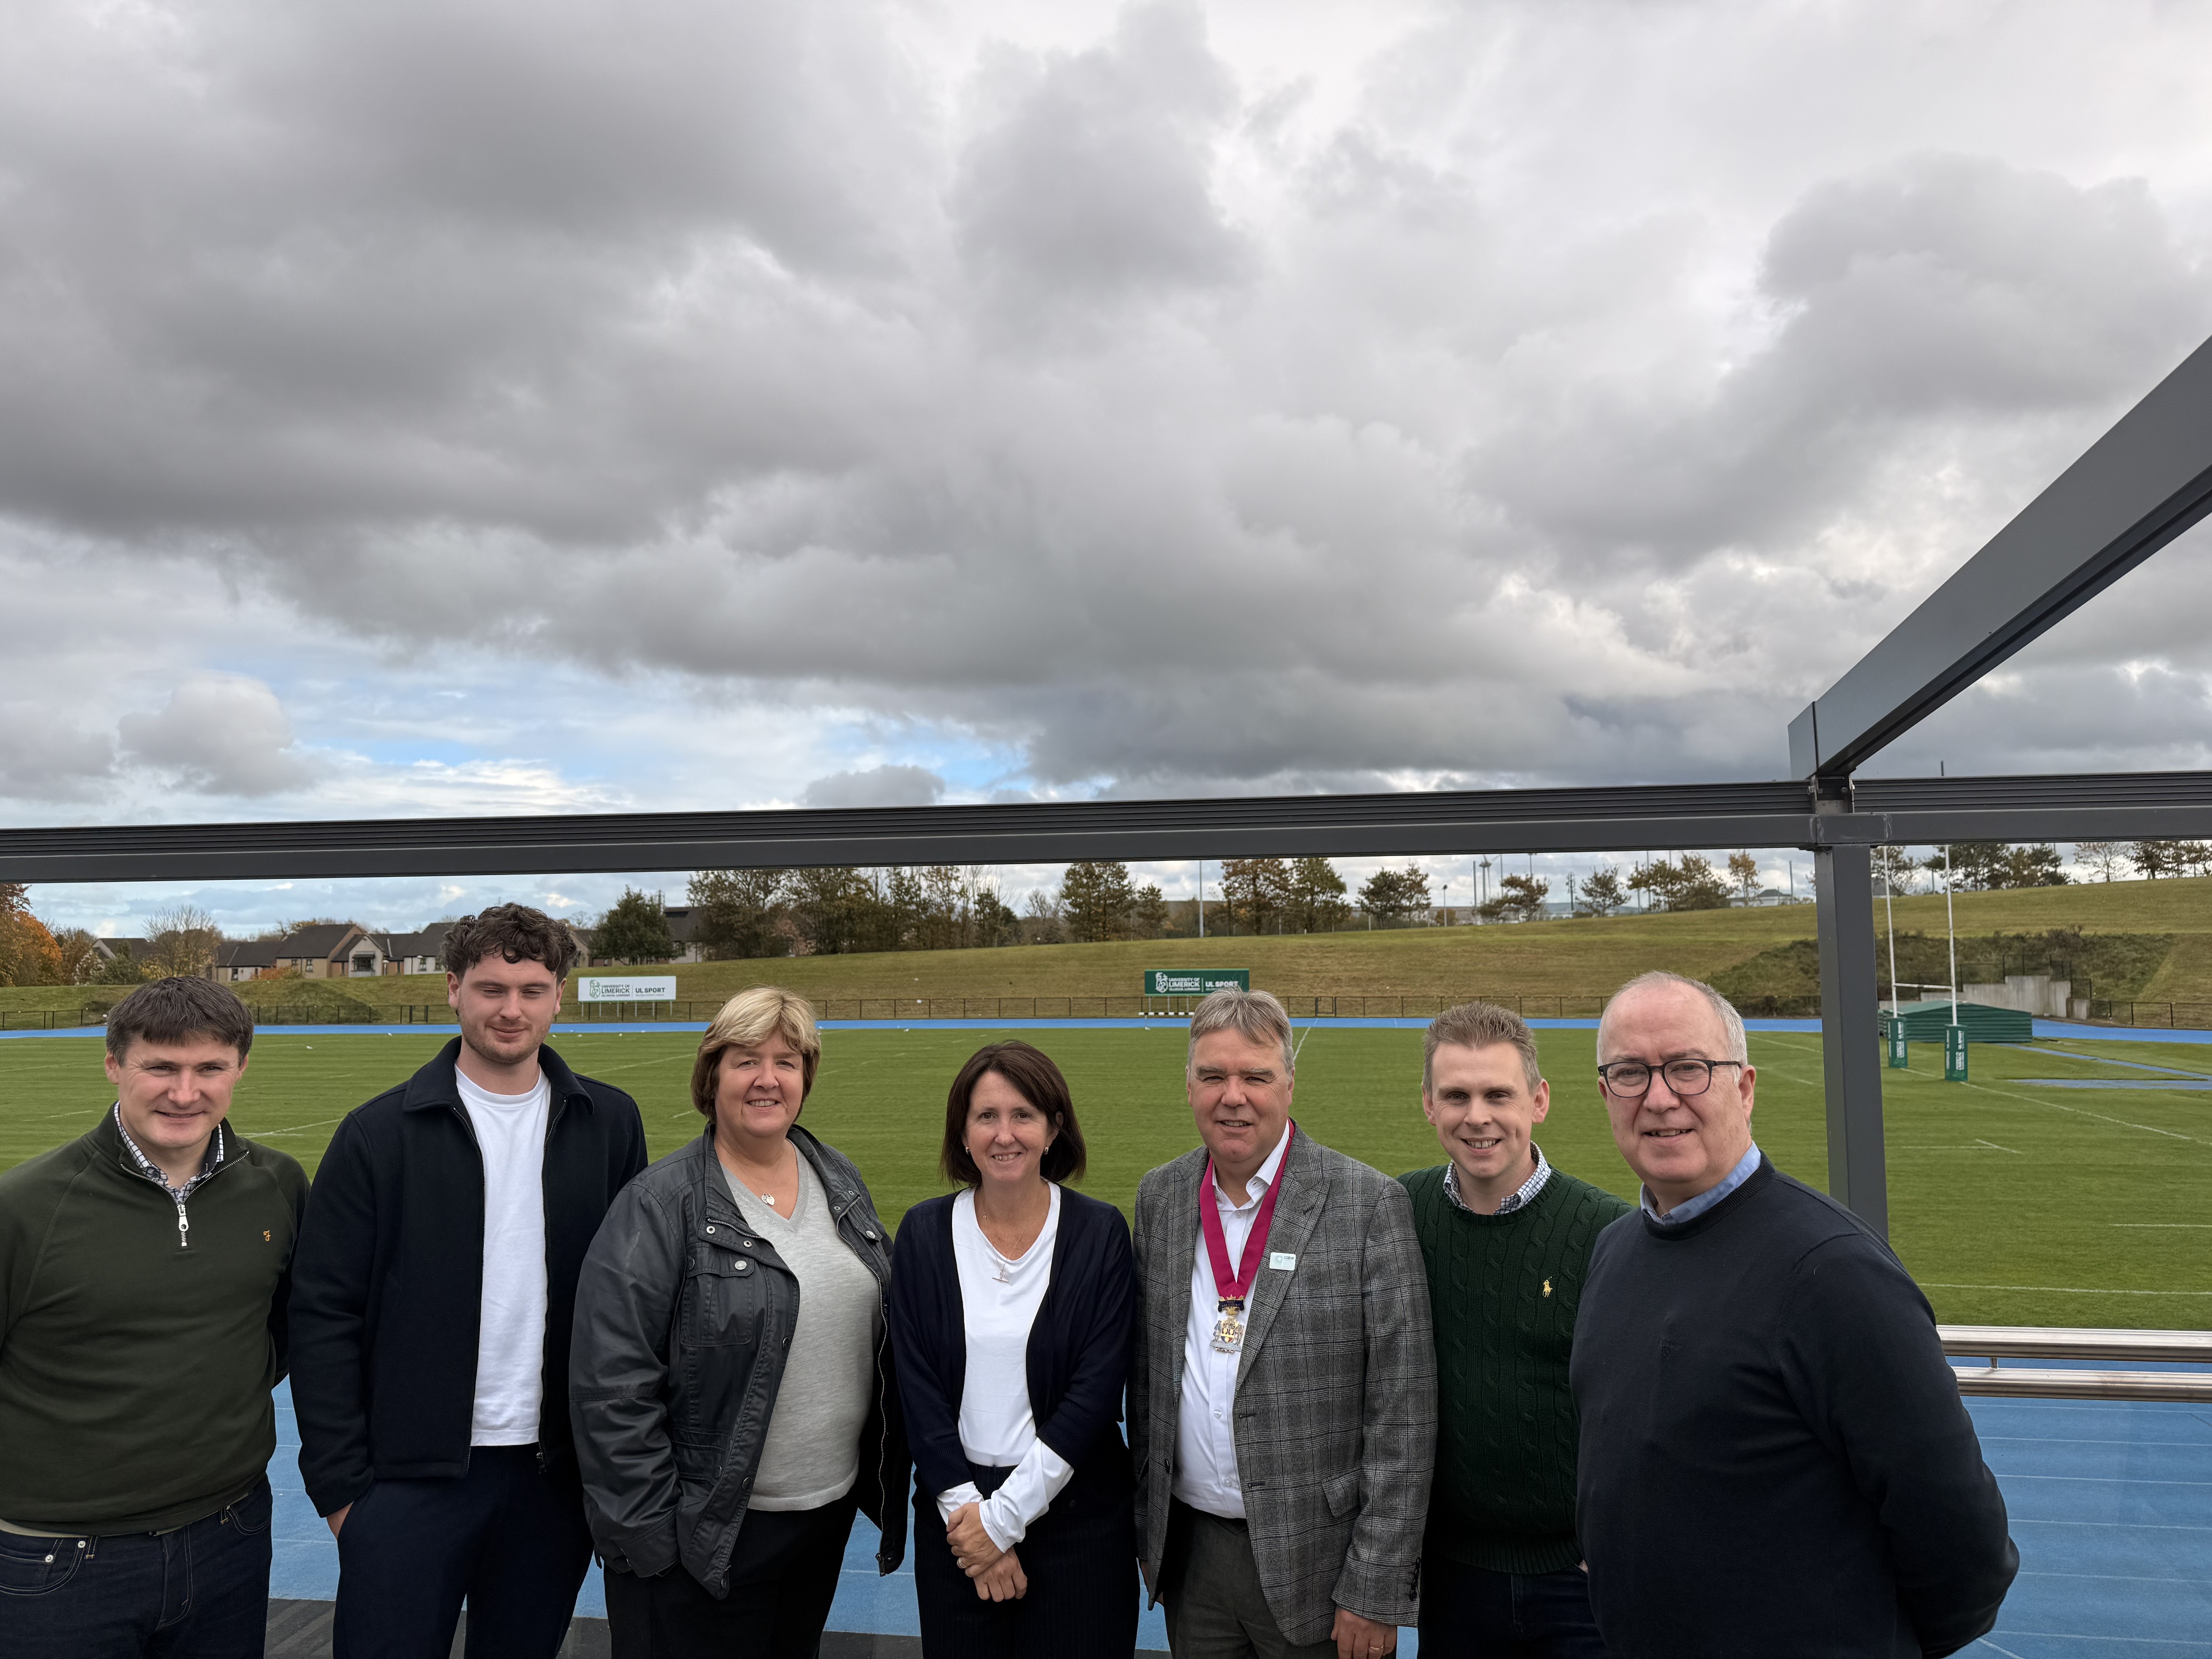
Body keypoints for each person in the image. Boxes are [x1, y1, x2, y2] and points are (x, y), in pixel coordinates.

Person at [1571, 970, 2018, 1657]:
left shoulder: (1833, 1272)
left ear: (1744, 1087)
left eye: (1689, 1068)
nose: (1660, 1098)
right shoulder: (1616, 1251)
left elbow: (1962, 1537)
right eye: (1631, 1073)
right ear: (1605, 1095)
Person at [289, 904, 648, 1659]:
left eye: (530, 988)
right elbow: (323, 1312)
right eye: (490, 988)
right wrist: (344, 1493)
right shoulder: (378, 1134)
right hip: (406, 1481)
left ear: (558, 996)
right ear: (453, 990)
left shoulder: (610, 1124)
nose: (510, 1009)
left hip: (553, 1481)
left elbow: (634, 1301)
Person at [570, 986, 907, 1659]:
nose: (767, 1079)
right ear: (711, 1075)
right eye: (745, 1060)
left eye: (786, 1061)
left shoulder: (839, 1178)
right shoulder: (659, 1206)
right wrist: (655, 1543)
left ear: (806, 1077)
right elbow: (612, 1386)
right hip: (703, 1536)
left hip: (819, 1520)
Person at [0, 976, 307, 1658]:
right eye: (160, 1067)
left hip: (231, 1533)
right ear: (114, 1064)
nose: (185, 1092)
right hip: (58, 1559)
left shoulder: (278, 1186)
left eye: (209, 1068)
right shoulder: (25, 1208)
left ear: (241, 1067)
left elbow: (282, 1331)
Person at [1130, 988, 1435, 1659]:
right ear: (1189, 1087)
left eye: (1255, 1077)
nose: (1232, 1096)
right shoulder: (1161, 1197)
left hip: (1321, 1568)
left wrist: (1374, 1588)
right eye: (1213, 1076)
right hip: (1193, 1558)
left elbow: (1403, 1415)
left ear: (1289, 1084)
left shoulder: (1368, 1203)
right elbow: (1148, 1379)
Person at [889, 1041, 1137, 1659]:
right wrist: (972, 1519)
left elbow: (1096, 1392)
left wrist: (1002, 1524)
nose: (1006, 1135)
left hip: (1077, 1523)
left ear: (1054, 1129)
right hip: (957, 1520)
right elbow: (915, 1385)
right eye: (986, 1116)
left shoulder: (1100, 1232)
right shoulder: (923, 1233)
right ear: (963, 1133)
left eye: (1024, 1115)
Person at [1401, 1001, 1631, 1658]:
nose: (1477, 1116)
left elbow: (1643, 1409)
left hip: (1579, 1580)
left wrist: (1609, 1543)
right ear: (1428, 1104)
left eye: (1498, 1094)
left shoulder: (1606, 1231)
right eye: (1457, 1095)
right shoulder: (1397, 1212)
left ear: (1539, 1100)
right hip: (1452, 1576)